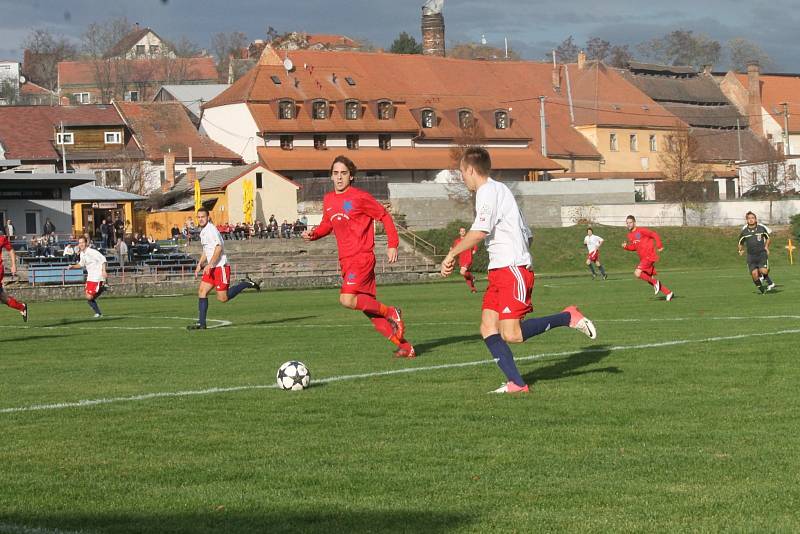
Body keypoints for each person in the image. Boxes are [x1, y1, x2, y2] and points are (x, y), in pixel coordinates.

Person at [441, 147, 596, 393]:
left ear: (470, 169)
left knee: (512, 335)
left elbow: (480, 231)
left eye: (462, 172)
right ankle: (517, 383)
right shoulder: (502, 191)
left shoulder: (488, 191)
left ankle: (567, 317)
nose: (462, 177)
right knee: (488, 327)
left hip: (511, 269)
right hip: (500, 270)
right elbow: (528, 235)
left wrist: (452, 253)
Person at [302, 155, 414, 358]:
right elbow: (327, 224)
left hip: (361, 257)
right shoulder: (328, 200)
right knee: (371, 311)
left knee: (346, 299)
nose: (339, 177)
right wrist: (314, 234)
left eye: (343, 173)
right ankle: (406, 347)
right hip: (345, 261)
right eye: (335, 173)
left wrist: (392, 244)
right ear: (331, 176)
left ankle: (392, 312)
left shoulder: (359, 197)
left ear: (351, 176)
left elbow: (384, 216)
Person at [187, 208, 262, 330]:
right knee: (202, 291)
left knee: (223, 298)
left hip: (220, 267)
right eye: (199, 217)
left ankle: (245, 283)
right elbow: (207, 250)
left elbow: (218, 249)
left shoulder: (211, 230)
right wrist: (200, 264)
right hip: (211, 267)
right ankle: (201, 323)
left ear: (208, 217)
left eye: (203, 217)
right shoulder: (203, 232)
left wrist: (210, 264)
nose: (200, 219)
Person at [622, 215, 674, 301]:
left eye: (630, 222)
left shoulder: (641, 230)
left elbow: (654, 234)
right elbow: (635, 247)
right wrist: (626, 247)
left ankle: (656, 283)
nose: (629, 224)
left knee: (637, 273)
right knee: (648, 278)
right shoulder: (630, 235)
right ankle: (668, 292)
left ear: (634, 222)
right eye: (627, 223)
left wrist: (659, 245)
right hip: (643, 258)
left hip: (649, 256)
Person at [67, 236, 108, 318]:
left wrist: (104, 270)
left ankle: (102, 288)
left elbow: (103, 259)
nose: (81, 244)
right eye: (79, 243)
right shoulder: (82, 253)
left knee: (89, 297)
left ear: (86, 243)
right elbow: (81, 264)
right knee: (88, 297)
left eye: (82, 242)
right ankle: (98, 313)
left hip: (97, 276)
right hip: (90, 277)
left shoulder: (92, 252)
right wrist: (72, 266)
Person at [738, 211, 775, 294]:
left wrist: (766, 247)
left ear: (755, 219)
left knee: (764, 271)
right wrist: (740, 250)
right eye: (749, 218)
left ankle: (762, 274)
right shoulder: (744, 232)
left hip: (761, 254)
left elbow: (768, 238)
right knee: (754, 274)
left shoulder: (761, 229)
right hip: (751, 256)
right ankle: (762, 290)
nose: (751, 220)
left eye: (752, 218)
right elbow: (740, 243)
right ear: (746, 220)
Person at [0, 231, 28, 322]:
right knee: (3, 298)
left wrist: (14, 265)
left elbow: (11, 250)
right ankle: (21, 307)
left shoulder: (1, 238)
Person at [451, 227, 479, 293]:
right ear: (459, 232)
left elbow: (475, 244)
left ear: (465, 232)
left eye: (464, 231)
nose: (463, 232)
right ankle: (473, 289)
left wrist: (474, 250)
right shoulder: (457, 241)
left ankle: (472, 278)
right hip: (461, 260)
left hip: (468, 259)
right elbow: (455, 249)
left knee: (462, 272)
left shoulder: (469, 239)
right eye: (461, 231)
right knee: (465, 275)